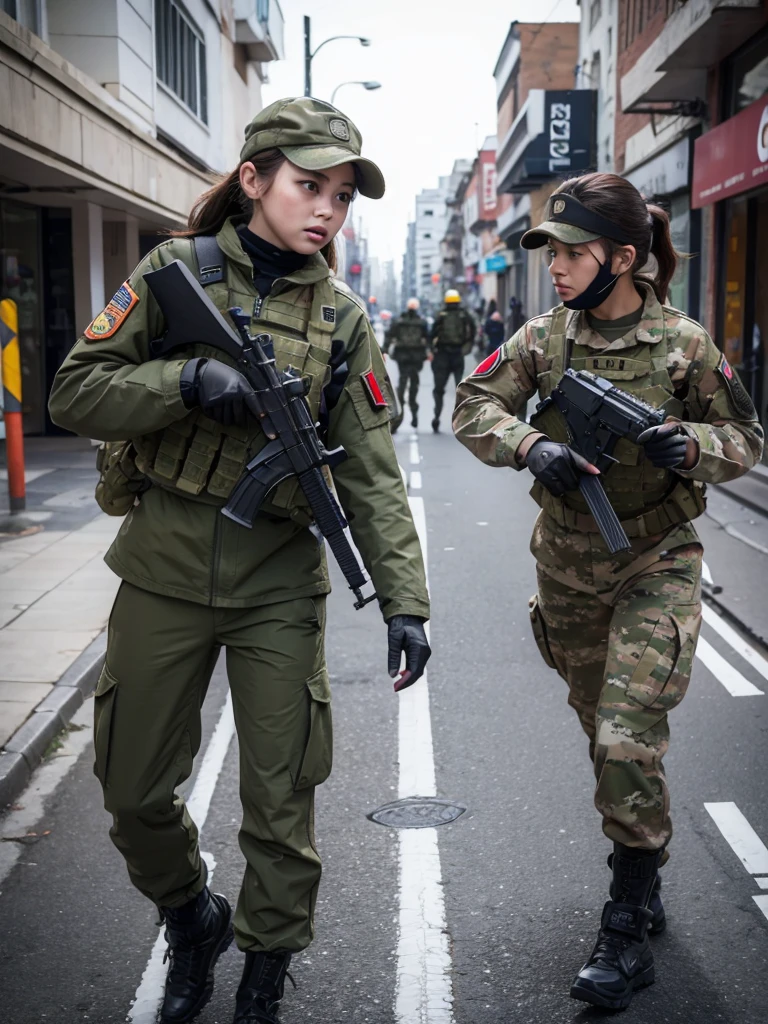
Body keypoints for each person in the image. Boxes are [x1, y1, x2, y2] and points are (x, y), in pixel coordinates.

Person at [48, 97, 431, 1024]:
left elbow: (374, 472)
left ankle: (264, 972)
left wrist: (403, 603)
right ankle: (192, 916)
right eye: (311, 186)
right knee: (132, 788)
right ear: (253, 179)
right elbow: (74, 391)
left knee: (281, 798)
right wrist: (184, 379)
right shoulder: (174, 272)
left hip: (277, 583)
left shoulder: (342, 321)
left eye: (343, 195)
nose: (328, 210)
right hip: (164, 566)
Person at [453, 173, 763, 1011]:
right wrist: (527, 447)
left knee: (628, 736)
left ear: (623, 258)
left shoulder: (685, 345)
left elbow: (746, 436)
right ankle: (647, 867)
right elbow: (474, 403)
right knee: (602, 734)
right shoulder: (543, 341)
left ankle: (624, 925)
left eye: (573, 252)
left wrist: (691, 447)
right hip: (567, 567)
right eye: (551, 251)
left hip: (656, 558)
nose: (555, 266)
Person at [430, 289, 476, 432]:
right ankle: (462, 421)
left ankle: (437, 417)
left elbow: (432, 333)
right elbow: (473, 330)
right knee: (461, 389)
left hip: (442, 355)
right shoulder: (464, 315)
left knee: (439, 389)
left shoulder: (441, 315)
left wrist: (433, 350)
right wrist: (466, 347)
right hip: (457, 354)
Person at [382, 297, 430, 428]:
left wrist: (384, 350)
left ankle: (398, 417)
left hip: (402, 357)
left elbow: (389, 335)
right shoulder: (422, 322)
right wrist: (430, 352)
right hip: (416, 357)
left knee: (402, 384)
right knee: (414, 384)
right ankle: (414, 415)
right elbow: (428, 339)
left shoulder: (398, 321)